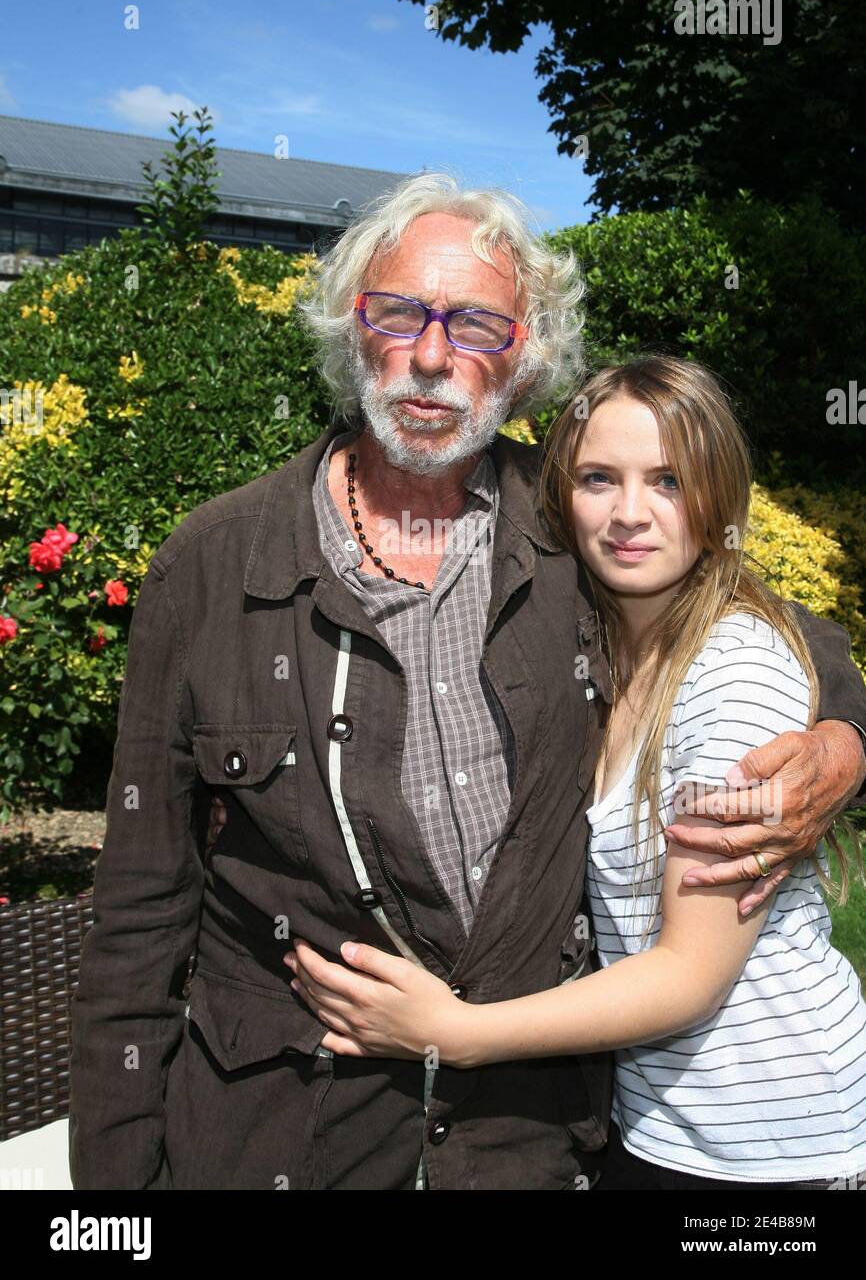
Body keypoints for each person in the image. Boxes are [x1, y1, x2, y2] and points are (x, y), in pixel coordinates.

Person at [69, 174, 866, 1191]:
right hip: (294, 1135)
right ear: (348, 333)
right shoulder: (215, 563)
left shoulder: (567, 520)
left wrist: (839, 733)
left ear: (522, 364)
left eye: (477, 324)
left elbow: (744, 613)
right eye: (398, 313)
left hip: (526, 1141)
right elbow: (138, 915)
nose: (433, 357)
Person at [285, 355, 866, 1190]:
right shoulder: (600, 640)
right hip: (661, 1121)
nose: (631, 514)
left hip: (770, 1138)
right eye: (599, 478)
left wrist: (453, 1030)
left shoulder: (732, 672)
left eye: (669, 480)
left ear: (719, 497)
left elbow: (689, 973)